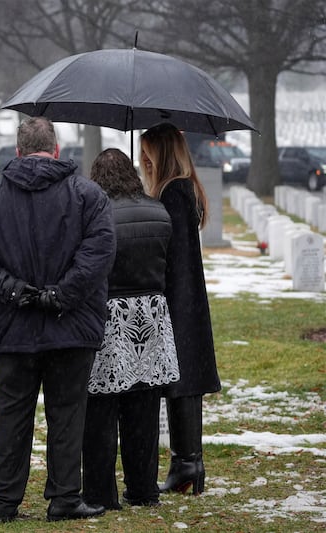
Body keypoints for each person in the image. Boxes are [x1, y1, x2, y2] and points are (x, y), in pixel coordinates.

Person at [0, 116, 116, 522]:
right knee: (67, 413)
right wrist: (62, 295)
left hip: (12, 326)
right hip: (72, 325)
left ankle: (4, 501)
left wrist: (12, 289)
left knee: (12, 413)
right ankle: (64, 498)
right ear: (57, 149)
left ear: (18, 151)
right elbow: (98, 253)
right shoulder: (89, 196)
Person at [82, 148, 180, 510]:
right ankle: (143, 489)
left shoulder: (94, 213)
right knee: (144, 409)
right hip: (151, 314)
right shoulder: (158, 210)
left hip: (109, 315)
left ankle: (99, 493)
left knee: (100, 413)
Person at [140, 123, 221, 495]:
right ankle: (188, 462)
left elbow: (167, 250)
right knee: (183, 379)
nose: (143, 160)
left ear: (162, 154)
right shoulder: (185, 189)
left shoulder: (173, 193)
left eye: (147, 153)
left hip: (177, 296)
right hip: (186, 296)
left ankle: (187, 462)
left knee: (182, 379)